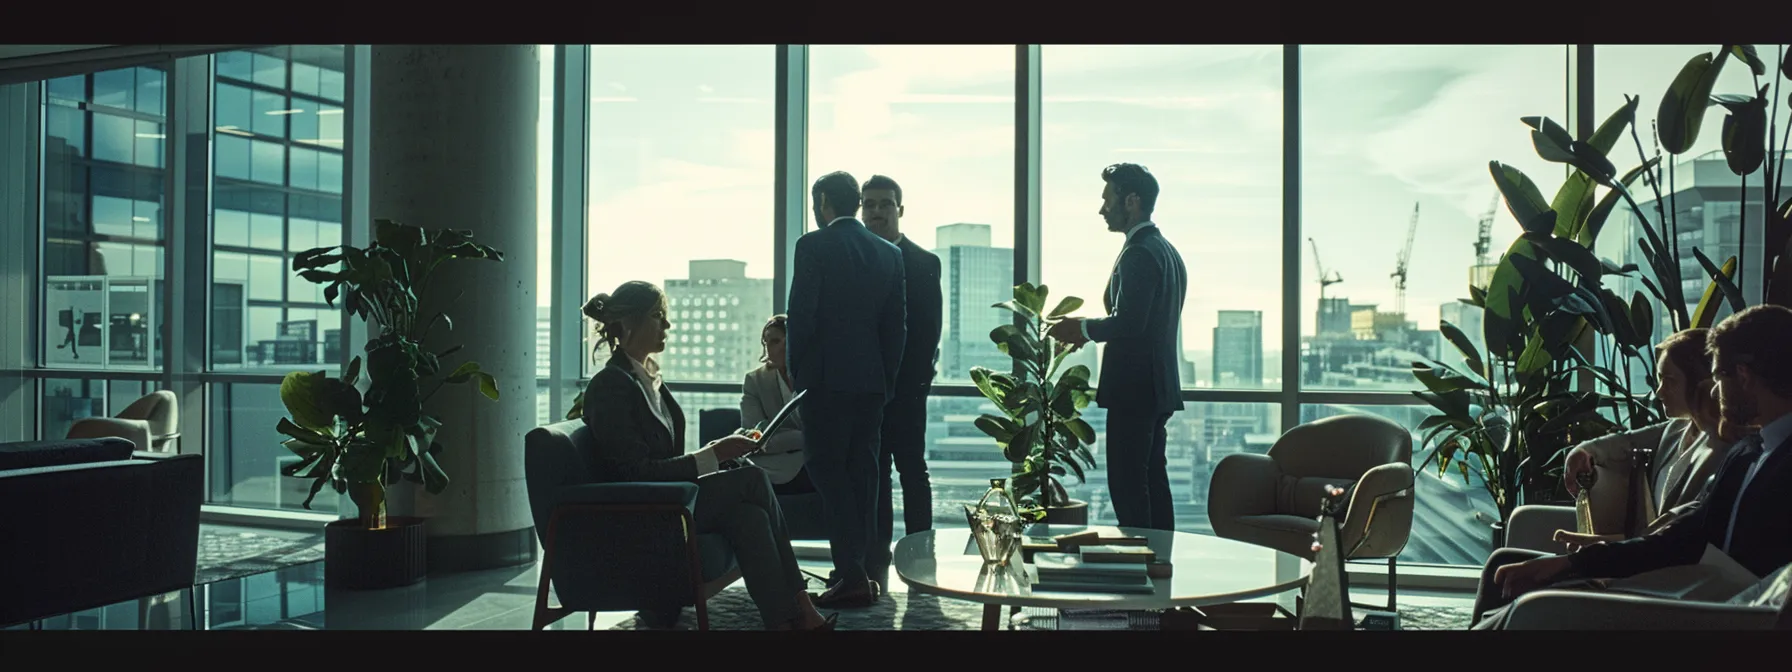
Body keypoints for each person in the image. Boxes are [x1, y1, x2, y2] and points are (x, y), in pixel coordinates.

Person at [1474, 304, 1792, 629]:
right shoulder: (1748, 452)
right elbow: (1682, 537)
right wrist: (1572, 563)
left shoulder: (1764, 458)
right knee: (1512, 592)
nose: (1712, 390)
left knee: (1527, 609)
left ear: (1743, 375)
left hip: (1717, 614)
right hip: (1686, 589)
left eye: (1719, 376)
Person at [579, 281, 834, 631]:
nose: (666, 326)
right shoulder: (611, 385)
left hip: (670, 498)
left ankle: (784, 622)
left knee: (750, 517)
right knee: (752, 478)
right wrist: (711, 456)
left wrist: (714, 457)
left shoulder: (647, 379)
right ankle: (802, 607)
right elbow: (632, 472)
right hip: (647, 509)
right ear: (627, 324)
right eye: (657, 316)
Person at [787, 170, 907, 608]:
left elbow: (802, 315)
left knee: (825, 469)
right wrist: (886, 382)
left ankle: (853, 574)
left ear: (822, 202)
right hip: (871, 385)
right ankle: (862, 570)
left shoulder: (813, 246)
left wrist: (798, 375)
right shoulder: (887, 254)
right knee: (864, 475)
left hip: (824, 382)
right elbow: (897, 329)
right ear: (856, 203)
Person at [1047, 163, 1188, 531]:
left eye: (1107, 199)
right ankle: (1160, 564)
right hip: (1158, 387)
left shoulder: (1139, 252)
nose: (1102, 208)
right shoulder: (1167, 251)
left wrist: (1080, 329)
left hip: (1135, 389)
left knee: (1128, 485)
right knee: (1154, 481)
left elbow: (1129, 322)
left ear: (1132, 201)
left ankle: (1141, 565)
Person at [1554, 327, 1740, 546]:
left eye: (1669, 381)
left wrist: (1601, 545)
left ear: (1702, 382)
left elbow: (1679, 533)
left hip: (1667, 568)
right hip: (1636, 553)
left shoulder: (1725, 449)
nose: (1660, 392)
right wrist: (1579, 453)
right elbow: (1622, 443)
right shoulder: (1674, 430)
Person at [859, 174, 944, 590]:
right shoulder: (858, 260)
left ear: (900, 210)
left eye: (884, 204)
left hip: (907, 391)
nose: (876, 211)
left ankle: (919, 558)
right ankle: (877, 558)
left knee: (912, 471)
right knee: (875, 474)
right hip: (867, 389)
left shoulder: (924, 262)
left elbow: (928, 333)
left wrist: (911, 387)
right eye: (868, 204)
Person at [740, 315, 815, 495]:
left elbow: (830, 432)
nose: (768, 348)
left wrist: (780, 436)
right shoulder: (755, 381)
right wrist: (809, 438)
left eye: (775, 341)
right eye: (765, 342)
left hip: (816, 462)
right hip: (773, 465)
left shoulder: (815, 377)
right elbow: (756, 437)